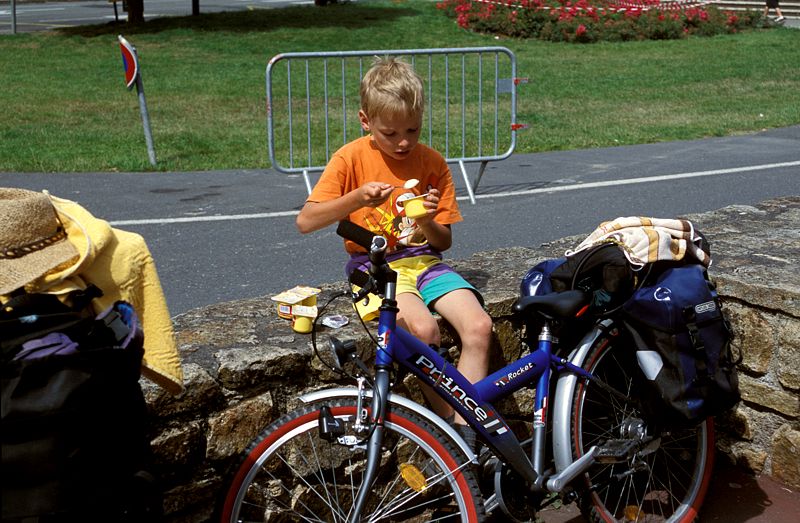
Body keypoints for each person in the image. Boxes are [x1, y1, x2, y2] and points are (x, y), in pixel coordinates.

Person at [296, 57, 493, 443]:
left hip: (426, 264)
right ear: (365, 121)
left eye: (413, 129)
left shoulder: (433, 161)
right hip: (377, 268)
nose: (403, 141)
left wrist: (426, 221)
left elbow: (443, 242)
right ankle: (455, 431)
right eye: (390, 133)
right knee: (423, 329)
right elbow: (306, 221)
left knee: (480, 326)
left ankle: (463, 426)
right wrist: (356, 198)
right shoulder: (350, 158)